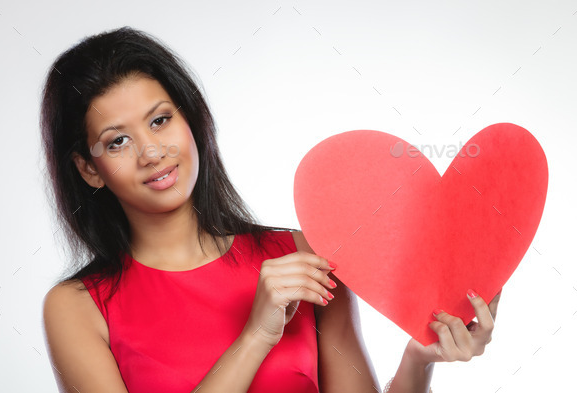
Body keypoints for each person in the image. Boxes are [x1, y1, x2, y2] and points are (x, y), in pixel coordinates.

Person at [40, 26, 501, 393]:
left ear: (191, 119)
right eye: (117, 141)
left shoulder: (302, 257)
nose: (151, 152)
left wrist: (419, 359)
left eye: (161, 119)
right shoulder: (78, 308)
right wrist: (256, 337)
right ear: (88, 168)